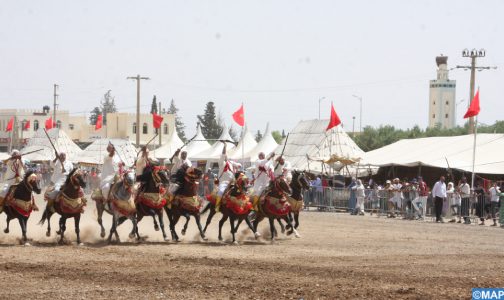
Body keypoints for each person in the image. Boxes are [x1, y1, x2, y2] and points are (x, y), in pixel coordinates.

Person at [215, 142, 241, 212]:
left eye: (226, 155)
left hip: (233, 181)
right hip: (224, 182)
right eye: (224, 155)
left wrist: (238, 165)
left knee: (242, 190)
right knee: (220, 191)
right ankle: (217, 206)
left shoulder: (230, 162)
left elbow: (239, 165)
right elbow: (223, 154)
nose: (226, 156)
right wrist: (225, 146)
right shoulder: (221, 162)